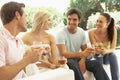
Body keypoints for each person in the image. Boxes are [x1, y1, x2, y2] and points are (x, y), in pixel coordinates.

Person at [56, 8, 110, 80]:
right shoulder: (61, 33)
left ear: (79, 21)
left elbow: (85, 50)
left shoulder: (81, 32)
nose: (71, 22)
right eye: (69, 19)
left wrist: (83, 60)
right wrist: (82, 54)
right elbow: (64, 53)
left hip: (77, 58)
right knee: (73, 64)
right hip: (65, 60)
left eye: (74, 19)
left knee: (96, 64)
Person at [0, 1, 43, 80]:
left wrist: (39, 51)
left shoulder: (18, 41)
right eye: (26, 16)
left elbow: (23, 57)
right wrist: (28, 59)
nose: (27, 21)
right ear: (17, 15)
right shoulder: (1, 39)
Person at [89, 13, 119, 80]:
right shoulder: (91, 32)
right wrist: (98, 50)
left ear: (107, 23)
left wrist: (105, 51)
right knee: (98, 55)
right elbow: (94, 48)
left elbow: (113, 48)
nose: (97, 23)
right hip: (97, 55)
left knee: (113, 55)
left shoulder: (113, 30)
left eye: (101, 22)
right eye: (97, 21)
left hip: (107, 56)